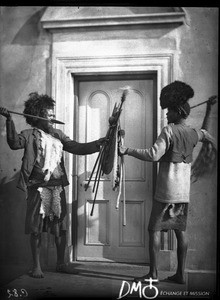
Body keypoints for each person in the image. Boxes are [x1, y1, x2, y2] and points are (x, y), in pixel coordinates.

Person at [0, 92, 106, 279]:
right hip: (37, 188)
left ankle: (61, 263)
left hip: (57, 187)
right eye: (48, 114)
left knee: (60, 228)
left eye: (51, 114)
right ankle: (36, 267)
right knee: (36, 228)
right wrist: (9, 120)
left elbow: (77, 147)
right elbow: (14, 143)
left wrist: (98, 143)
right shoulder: (29, 135)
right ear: (37, 116)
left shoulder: (58, 134)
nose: (51, 117)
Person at [119, 81, 216, 284]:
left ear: (177, 111)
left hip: (166, 190)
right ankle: (181, 274)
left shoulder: (169, 130)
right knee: (180, 232)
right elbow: (205, 133)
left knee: (153, 230)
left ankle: (153, 274)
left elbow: (153, 155)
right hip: (183, 192)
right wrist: (209, 109)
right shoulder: (192, 133)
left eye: (169, 111)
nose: (166, 114)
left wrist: (127, 150)